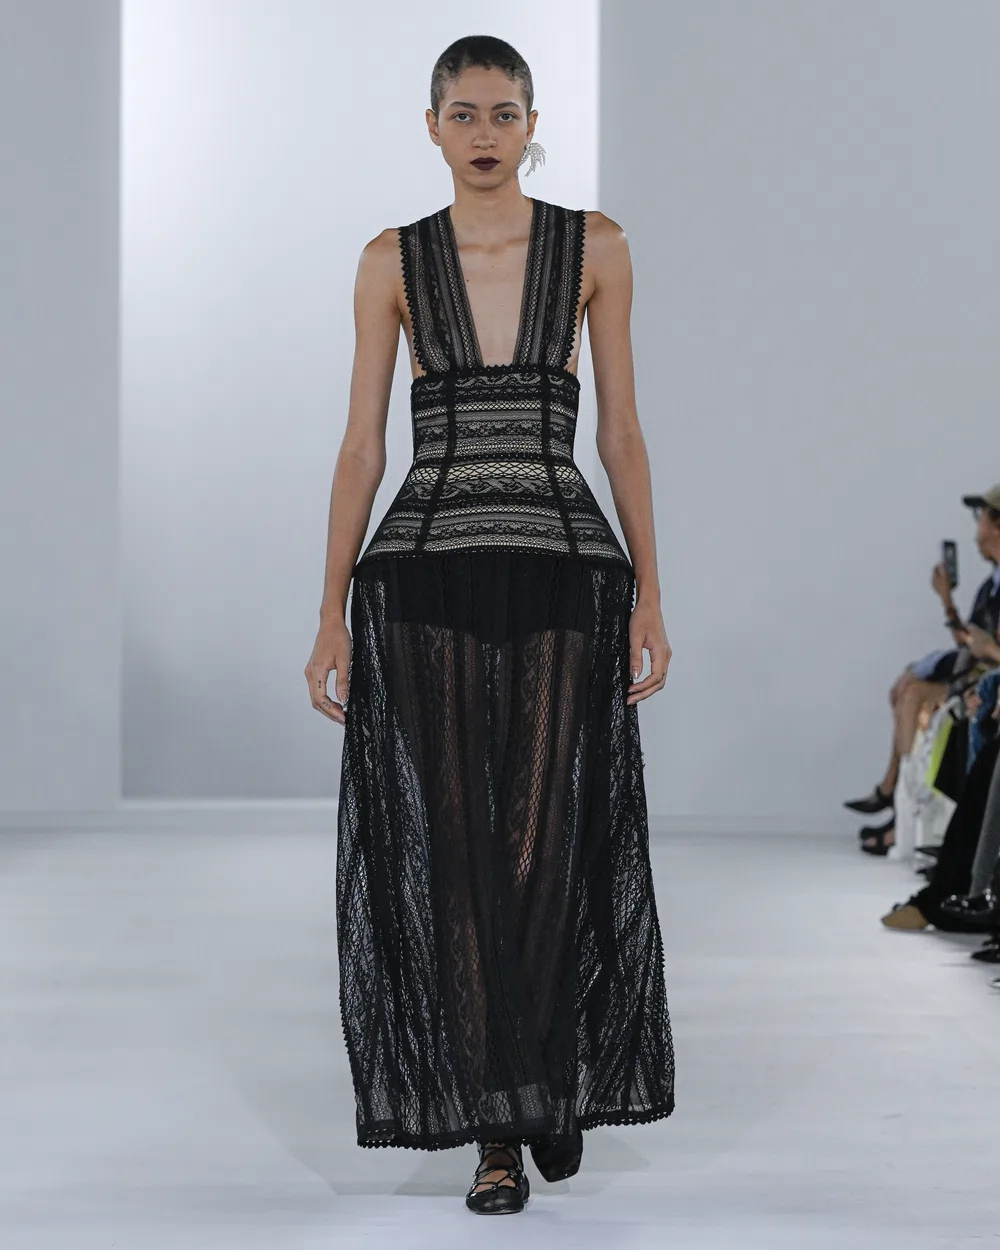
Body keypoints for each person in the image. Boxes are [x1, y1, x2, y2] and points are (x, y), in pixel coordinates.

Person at [304, 35, 676, 1216]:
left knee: (545, 838)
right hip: (425, 579)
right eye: (461, 113)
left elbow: (620, 431)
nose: (482, 133)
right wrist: (327, 612)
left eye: (503, 112)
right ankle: (499, 1127)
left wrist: (652, 592)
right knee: (459, 848)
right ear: (431, 126)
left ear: (531, 124)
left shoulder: (595, 247)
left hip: (565, 571)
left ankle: (537, 1069)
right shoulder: (391, 260)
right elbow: (362, 444)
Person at [847, 485, 1000, 852]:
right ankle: (897, 801)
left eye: (980, 516)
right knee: (905, 688)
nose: (976, 527)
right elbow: (969, 640)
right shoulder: (989, 587)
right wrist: (947, 600)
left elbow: (984, 647)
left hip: (986, 682)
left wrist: (989, 649)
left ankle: (899, 806)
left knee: (914, 694)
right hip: (979, 676)